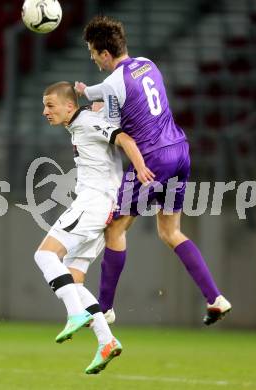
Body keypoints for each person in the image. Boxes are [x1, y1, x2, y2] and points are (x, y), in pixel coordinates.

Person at [74, 15, 232, 326]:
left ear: (105, 53)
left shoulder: (111, 83)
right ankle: (216, 298)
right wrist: (85, 91)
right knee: (170, 231)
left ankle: (104, 307)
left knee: (115, 228)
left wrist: (95, 106)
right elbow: (117, 94)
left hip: (152, 160)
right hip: (179, 151)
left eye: (93, 53)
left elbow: (117, 122)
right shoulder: (147, 63)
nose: (93, 58)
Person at [35, 81, 154, 374]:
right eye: (44, 105)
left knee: (45, 255)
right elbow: (107, 114)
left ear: (69, 106)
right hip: (101, 206)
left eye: (50, 106)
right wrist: (96, 98)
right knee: (74, 282)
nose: (45, 112)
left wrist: (140, 168)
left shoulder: (86, 122)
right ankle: (107, 341)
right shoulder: (82, 121)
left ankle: (74, 314)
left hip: (93, 202)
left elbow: (123, 138)